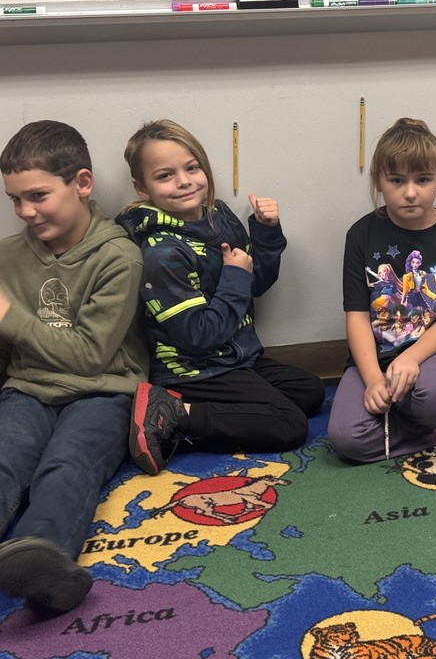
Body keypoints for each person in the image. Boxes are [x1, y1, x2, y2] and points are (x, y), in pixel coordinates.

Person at [116, 119, 324, 475]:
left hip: (236, 357)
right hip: (195, 371)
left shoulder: (221, 217)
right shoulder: (161, 254)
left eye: (192, 168)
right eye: (165, 176)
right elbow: (199, 337)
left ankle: (193, 418)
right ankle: (174, 412)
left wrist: (266, 233)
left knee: (310, 392)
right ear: (141, 187)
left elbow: (255, 284)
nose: (184, 181)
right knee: (289, 424)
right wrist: (233, 276)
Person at [0, 121, 149, 615]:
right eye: (14, 200)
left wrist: (9, 315)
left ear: (82, 184)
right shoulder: (9, 257)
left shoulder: (118, 256)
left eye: (37, 195)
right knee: (6, 457)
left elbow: (90, 355)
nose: (25, 211)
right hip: (28, 388)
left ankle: (47, 565)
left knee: (66, 464)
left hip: (103, 390)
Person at [327, 118, 436, 463]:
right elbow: (356, 315)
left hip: (431, 354)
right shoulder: (361, 235)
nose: (410, 192)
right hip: (374, 355)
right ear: (379, 182)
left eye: (423, 179)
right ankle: (435, 426)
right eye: (397, 180)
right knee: (346, 440)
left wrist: (411, 358)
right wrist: (372, 380)